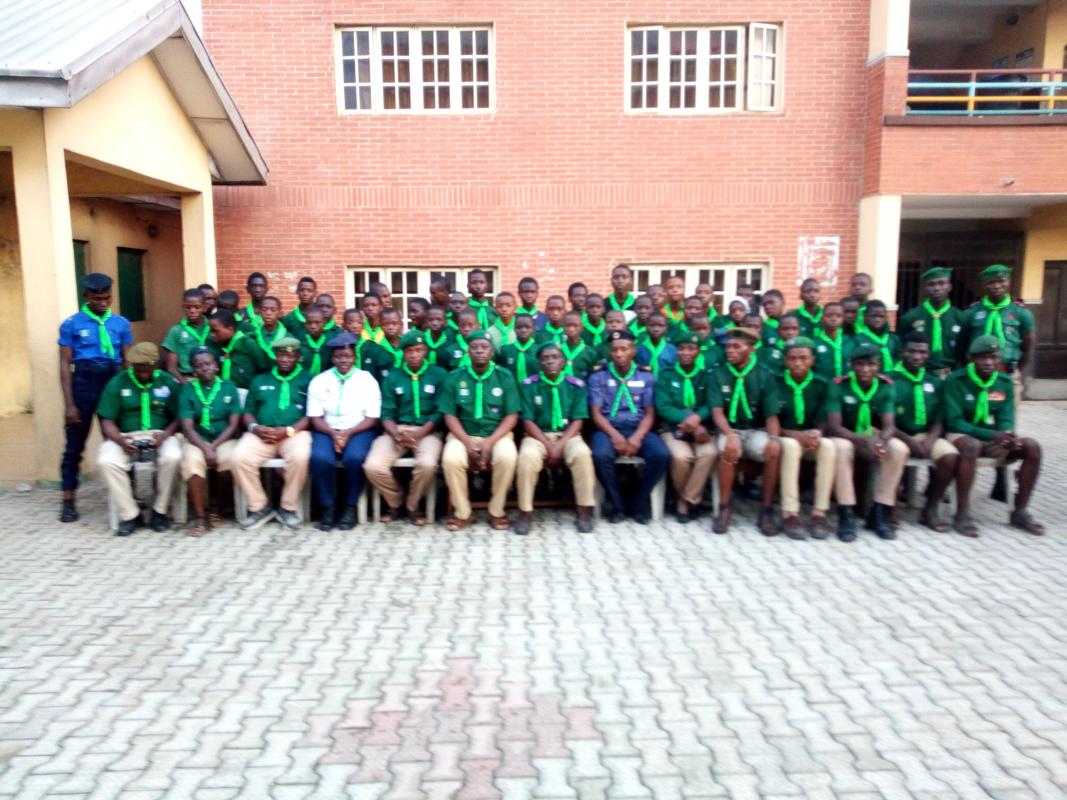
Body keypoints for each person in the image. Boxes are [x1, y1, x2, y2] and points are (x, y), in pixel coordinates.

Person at [944, 335, 1044, 536]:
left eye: (993, 357)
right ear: (971, 358)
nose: (988, 362)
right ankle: (962, 514)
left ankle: (1020, 511)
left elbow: (1006, 417)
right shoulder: (957, 380)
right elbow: (954, 421)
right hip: (960, 434)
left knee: (1031, 446)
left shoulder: (1004, 382)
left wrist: (1007, 435)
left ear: (999, 358)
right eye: (982, 357)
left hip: (990, 436)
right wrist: (991, 434)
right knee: (971, 446)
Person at [58, 272, 133, 522]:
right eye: (98, 298)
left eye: (108, 298)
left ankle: (128, 497)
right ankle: (68, 500)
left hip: (113, 382)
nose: (104, 302)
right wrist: (70, 404)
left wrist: (128, 395)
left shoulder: (121, 323)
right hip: (84, 384)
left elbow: (126, 361)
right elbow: (64, 364)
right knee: (74, 446)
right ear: (87, 296)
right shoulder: (71, 324)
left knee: (121, 440)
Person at [825, 343, 909, 542]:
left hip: (871, 434)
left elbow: (889, 425)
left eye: (871, 364)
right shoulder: (839, 385)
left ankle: (879, 512)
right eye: (860, 364)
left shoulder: (885, 385)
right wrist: (862, 441)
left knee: (899, 449)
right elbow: (834, 426)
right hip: (846, 434)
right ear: (852, 365)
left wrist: (881, 440)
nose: (865, 370)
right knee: (843, 449)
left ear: (878, 365)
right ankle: (846, 513)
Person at [95, 342, 182, 535]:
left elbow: (179, 417)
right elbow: (106, 420)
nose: (143, 374)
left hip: (160, 433)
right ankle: (130, 514)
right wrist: (120, 440)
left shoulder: (167, 382)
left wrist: (165, 435)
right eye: (139, 369)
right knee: (106, 461)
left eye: (147, 370)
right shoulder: (118, 382)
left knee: (173, 457)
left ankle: (159, 511)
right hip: (126, 435)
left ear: (155, 366)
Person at [362, 331, 448, 526]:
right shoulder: (393, 377)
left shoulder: (438, 374)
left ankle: (412, 505)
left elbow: (441, 411)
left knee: (427, 464)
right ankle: (396, 501)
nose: (414, 355)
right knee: (373, 466)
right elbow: (386, 412)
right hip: (397, 430)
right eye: (409, 351)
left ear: (425, 350)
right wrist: (395, 433)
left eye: (418, 350)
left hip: (428, 431)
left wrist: (420, 433)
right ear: (403, 353)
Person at [439, 330, 520, 531]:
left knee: (508, 457)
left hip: (496, 434)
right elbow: (450, 415)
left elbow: (512, 415)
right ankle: (463, 513)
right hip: (462, 434)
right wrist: (467, 442)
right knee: (450, 459)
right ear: (468, 351)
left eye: (484, 347)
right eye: (475, 347)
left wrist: (490, 441)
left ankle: (496, 510)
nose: (479, 351)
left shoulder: (504, 376)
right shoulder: (455, 377)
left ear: (492, 351)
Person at [588, 330, 669, 524]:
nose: (619, 354)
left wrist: (637, 438)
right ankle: (618, 504)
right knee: (599, 455)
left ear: (633, 351)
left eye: (624, 349)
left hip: (638, 428)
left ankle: (638, 503)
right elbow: (596, 413)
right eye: (615, 350)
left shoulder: (646, 376)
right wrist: (615, 437)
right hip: (608, 429)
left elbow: (650, 413)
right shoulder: (598, 376)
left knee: (661, 455)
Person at [514, 342, 596, 534]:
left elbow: (578, 420)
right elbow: (527, 420)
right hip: (537, 435)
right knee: (526, 457)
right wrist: (547, 444)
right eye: (545, 358)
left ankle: (584, 509)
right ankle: (525, 511)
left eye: (554, 357)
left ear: (564, 361)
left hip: (568, 435)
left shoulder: (575, 385)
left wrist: (559, 444)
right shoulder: (529, 385)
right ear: (539, 363)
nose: (550, 361)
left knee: (583, 454)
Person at [231, 338, 312, 530]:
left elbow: (312, 415)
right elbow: (248, 412)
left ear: (298, 357)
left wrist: (288, 431)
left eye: (290, 355)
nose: (285, 359)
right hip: (262, 434)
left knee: (300, 456)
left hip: (294, 434)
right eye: (281, 355)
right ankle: (259, 506)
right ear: (275, 356)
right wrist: (254, 428)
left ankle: (288, 507)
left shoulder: (309, 380)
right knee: (238, 457)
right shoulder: (260, 380)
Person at [708, 327, 782, 535]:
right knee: (728, 450)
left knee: (773, 450)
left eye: (736, 346)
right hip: (729, 429)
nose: (729, 351)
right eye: (728, 346)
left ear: (751, 349)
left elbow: (771, 415)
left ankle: (766, 510)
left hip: (754, 430)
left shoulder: (764, 375)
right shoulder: (718, 373)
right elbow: (717, 412)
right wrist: (730, 435)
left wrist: (774, 439)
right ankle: (724, 508)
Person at [307, 333, 382, 531]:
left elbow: (372, 418)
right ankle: (327, 507)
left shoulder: (367, 380)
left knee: (355, 458)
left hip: (359, 430)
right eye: (339, 356)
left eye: (347, 356)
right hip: (326, 429)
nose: (343, 360)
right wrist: (334, 434)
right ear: (332, 358)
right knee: (319, 458)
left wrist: (348, 433)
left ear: (354, 357)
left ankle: (350, 507)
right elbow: (315, 417)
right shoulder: (319, 381)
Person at [891, 332, 958, 533]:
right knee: (896, 453)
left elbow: (939, 418)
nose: (916, 356)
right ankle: (889, 508)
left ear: (928, 355)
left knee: (950, 457)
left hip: (926, 435)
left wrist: (930, 440)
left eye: (922, 352)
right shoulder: (890, 380)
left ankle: (930, 508)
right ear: (902, 352)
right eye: (911, 351)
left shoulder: (935, 382)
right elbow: (885, 421)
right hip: (898, 434)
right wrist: (911, 443)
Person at [775, 338, 835, 539]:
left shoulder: (820, 384)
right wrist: (796, 435)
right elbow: (772, 422)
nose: (798, 363)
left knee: (827, 446)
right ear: (785, 360)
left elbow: (823, 418)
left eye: (803, 358)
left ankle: (819, 513)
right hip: (785, 436)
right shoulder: (776, 382)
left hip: (809, 438)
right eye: (792, 358)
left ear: (812, 360)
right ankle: (790, 513)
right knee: (791, 447)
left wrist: (817, 433)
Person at [179, 348, 241, 537]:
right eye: (199, 366)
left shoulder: (229, 387)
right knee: (192, 463)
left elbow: (233, 424)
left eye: (208, 364)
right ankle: (200, 516)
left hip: (223, 439)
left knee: (231, 459)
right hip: (197, 440)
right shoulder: (187, 390)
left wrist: (213, 447)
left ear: (216, 366)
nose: (204, 368)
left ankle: (215, 507)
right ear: (193, 370)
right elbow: (188, 427)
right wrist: (205, 447)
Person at [655, 332, 717, 523]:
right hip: (673, 428)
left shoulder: (706, 376)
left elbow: (711, 403)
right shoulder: (666, 375)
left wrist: (697, 419)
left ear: (698, 352)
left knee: (709, 453)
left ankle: (683, 499)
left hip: (701, 429)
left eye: (691, 349)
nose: (685, 353)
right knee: (681, 457)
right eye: (681, 349)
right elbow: (663, 406)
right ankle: (694, 500)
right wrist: (688, 420)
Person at [958, 264, 1034, 379]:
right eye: (991, 282)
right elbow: (961, 346)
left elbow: (1027, 347)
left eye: (1002, 281)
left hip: (1008, 373)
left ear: (1009, 282)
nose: (997, 286)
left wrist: (1018, 371)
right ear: (984, 285)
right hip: (975, 374)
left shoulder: (1022, 313)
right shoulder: (971, 313)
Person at [897, 267, 963, 379]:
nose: (936, 288)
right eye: (931, 284)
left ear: (949, 287)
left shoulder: (960, 317)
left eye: (941, 283)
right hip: (922, 375)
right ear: (925, 289)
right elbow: (901, 348)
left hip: (952, 375)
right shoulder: (911, 317)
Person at [162, 288, 210, 382]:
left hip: (211, 380)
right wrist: (185, 384)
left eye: (197, 307)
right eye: (188, 307)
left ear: (204, 307)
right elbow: (171, 367)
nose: (192, 311)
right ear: (183, 307)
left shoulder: (212, 327)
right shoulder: (176, 331)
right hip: (186, 379)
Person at [209, 310, 258, 391]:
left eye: (216, 331)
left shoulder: (248, 344)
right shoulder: (216, 346)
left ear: (230, 329)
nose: (212, 335)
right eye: (211, 331)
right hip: (222, 392)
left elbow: (263, 367)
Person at [853, 300, 899, 373]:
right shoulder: (858, 339)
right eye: (873, 316)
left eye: (881, 316)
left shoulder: (893, 338)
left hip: (893, 379)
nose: (877, 319)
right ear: (865, 316)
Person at [361, 306, 403, 384]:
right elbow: (369, 378)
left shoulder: (407, 346)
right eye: (386, 324)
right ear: (380, 325)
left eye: (394, 323)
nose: (390, 327)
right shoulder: (374, 348)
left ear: (401, 324)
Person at [249, 297, 290, 374]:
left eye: (273, 310)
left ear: (280, 313)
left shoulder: (288, 338)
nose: (268, 313)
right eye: (264, 309)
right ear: (260, 312)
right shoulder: (252, 336)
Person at [812, 302, 853, 380]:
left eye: (838, 316)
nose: (834, 319)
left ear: (843, 319)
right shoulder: (815, 343)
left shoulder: (850, 341)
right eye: (829, 316)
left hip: (846, 386)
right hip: (823, 386)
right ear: (822, 318)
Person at [496, 314, 540, 381]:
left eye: (528, 327)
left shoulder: (538, 350)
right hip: (512, 389)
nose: (523, 330)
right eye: (519, 327)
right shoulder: (506, 350)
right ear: (514, 329)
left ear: (533, 329)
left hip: (533, 390)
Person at [560, 311, 599, 379]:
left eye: (575, 326)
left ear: (582, 328)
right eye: (568, 325)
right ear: (563, 327)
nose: (571, 329)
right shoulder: (558, 350)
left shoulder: (590, 352)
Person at [636, 313, 675, 377]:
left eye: (661, 326)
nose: (656, 329)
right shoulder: (639, 349)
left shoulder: (672, 349)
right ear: (646, 327)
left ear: (666, 328)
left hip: (665, 384)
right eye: (652, 325)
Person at [298, 307, 331, 376]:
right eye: (309, 323)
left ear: (324, 323)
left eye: (317, 322)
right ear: (305, 324)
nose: (313, 326)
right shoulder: (299, 342)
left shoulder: (330, 343)